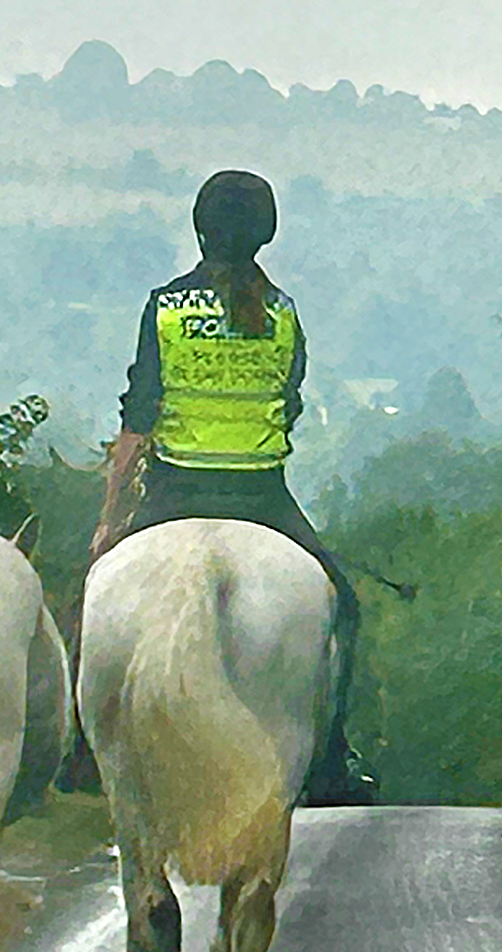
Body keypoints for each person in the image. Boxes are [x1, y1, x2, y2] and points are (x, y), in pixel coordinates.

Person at [87, 169, 376, 806]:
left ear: (199, 227)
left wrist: (111, 520)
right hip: (262, 499)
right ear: (264, 234)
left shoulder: (163, 308)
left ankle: (87, 746)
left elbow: (137, 420)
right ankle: (331, 759)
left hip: (173, 495)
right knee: (344, 608)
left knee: (99, 597)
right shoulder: (283, 313)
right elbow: (289, 403)